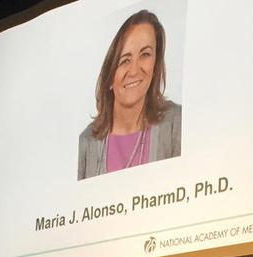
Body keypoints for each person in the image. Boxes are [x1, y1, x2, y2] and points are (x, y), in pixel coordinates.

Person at [78, 9, 182, 180]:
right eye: (124, 60)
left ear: (155, 65)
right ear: (110, 75)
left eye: (145, 55)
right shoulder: (85, 143)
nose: (134, 70)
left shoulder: (176, 123)